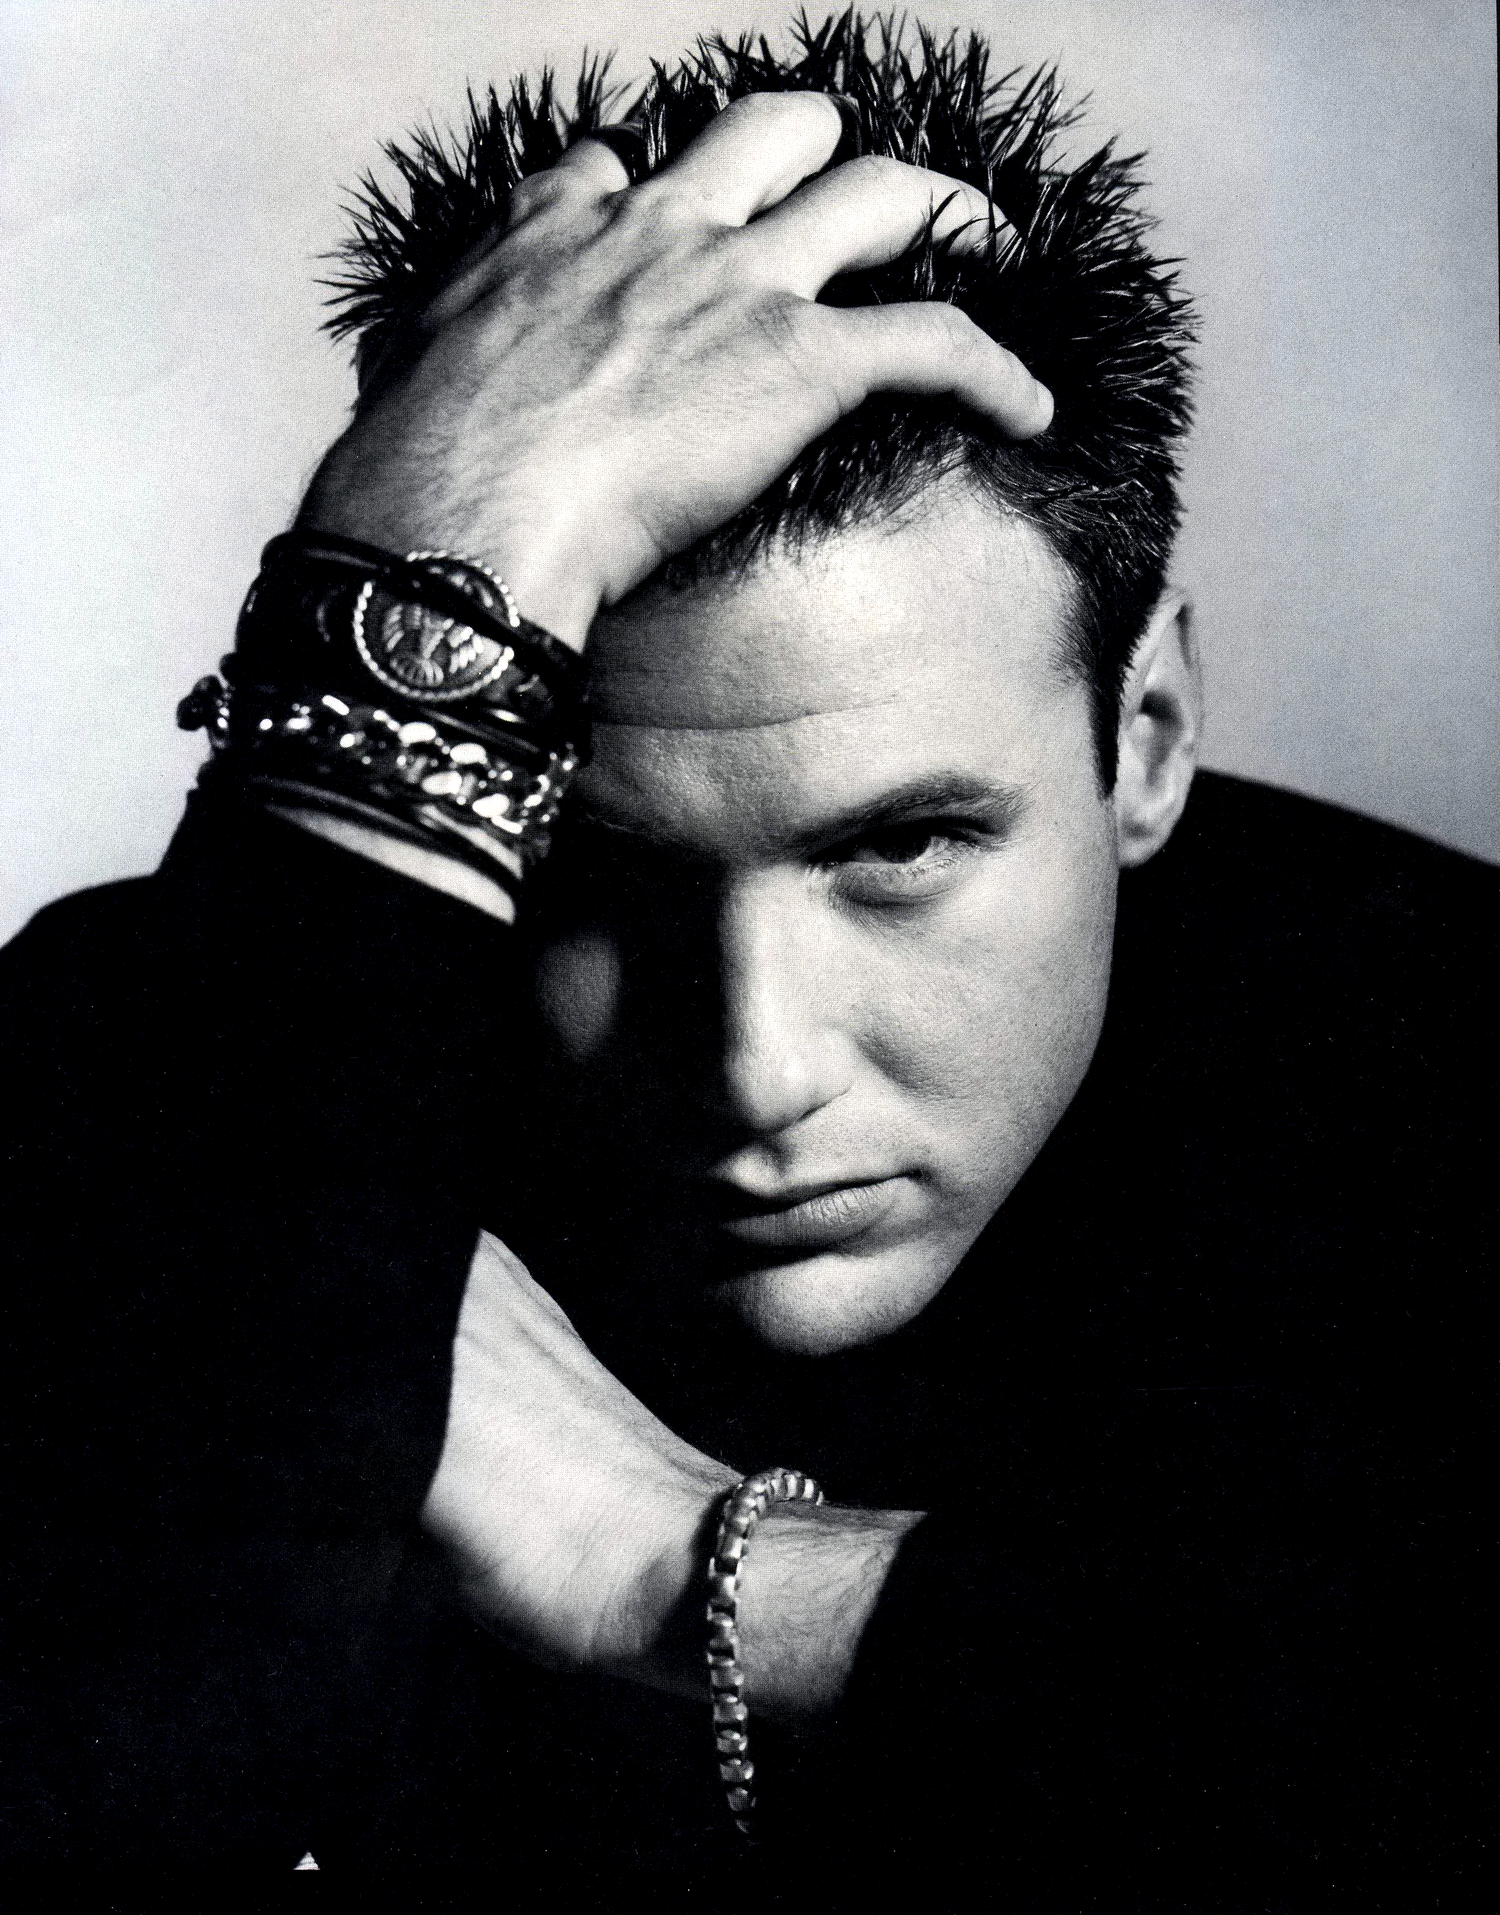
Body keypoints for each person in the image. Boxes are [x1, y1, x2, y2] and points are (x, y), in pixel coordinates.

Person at [2, 14, 1492, 1897]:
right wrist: (432, 550)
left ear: (1149, 738)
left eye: (900, 849)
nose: (753, 1064)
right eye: (588, 871)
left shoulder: (1448, 1062)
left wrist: (675, 1558)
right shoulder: (186, 1062)